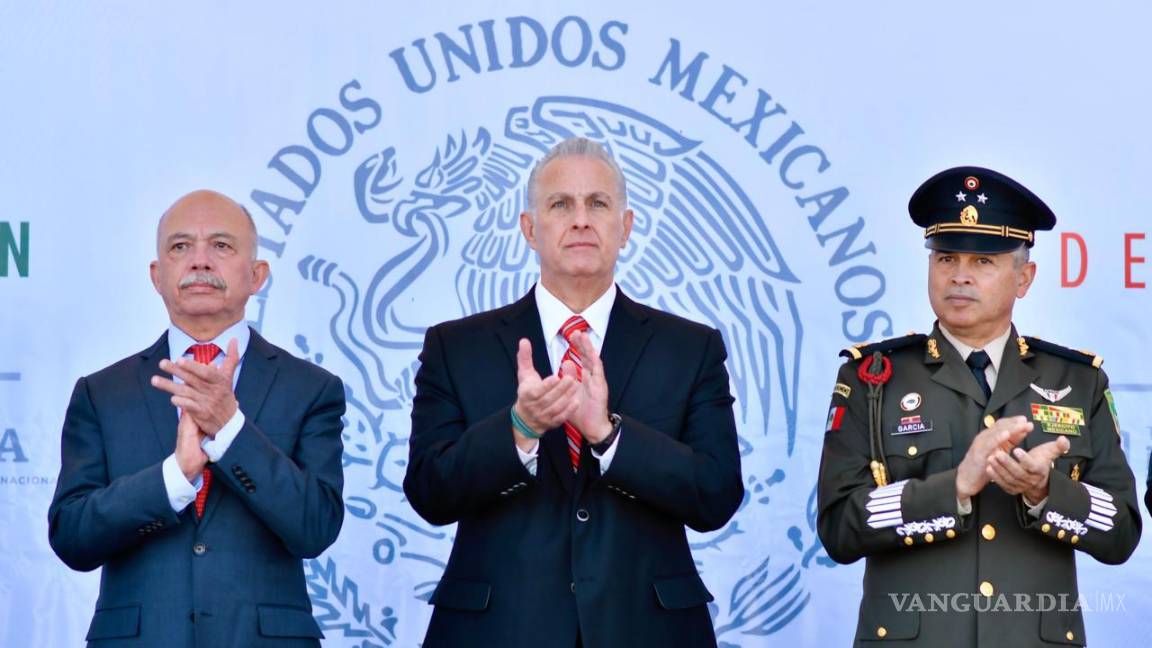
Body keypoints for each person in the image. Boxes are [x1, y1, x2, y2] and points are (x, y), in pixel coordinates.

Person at [403, 137, 744, 647]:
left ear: (624, 228)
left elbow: (716, 495)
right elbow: (429, 492)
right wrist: (518, 429)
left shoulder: (690, 348)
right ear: (529, 229)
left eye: (598, 204)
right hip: (498, 631)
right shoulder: (456, 346)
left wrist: (610, 437)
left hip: (648, 630)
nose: (581, 220)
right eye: (560, 204)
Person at [817, 166, 1141, 646]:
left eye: (984, 262)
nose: (960, 276)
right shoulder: (873, 379)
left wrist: (1044, 493)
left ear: (1024, 278)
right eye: (946, 257)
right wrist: (952, 488)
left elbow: (1121, 530)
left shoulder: (1076, 380)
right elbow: (839, 527)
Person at [48, 190, 346, 647]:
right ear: (157, 275)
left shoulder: (311, 389)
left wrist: (230, 431)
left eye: (222, 246)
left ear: (257, 275)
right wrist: (173, 478)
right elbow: (72, 537)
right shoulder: (102, 393)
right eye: (180, 246)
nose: (200, 260)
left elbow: (315, 528)